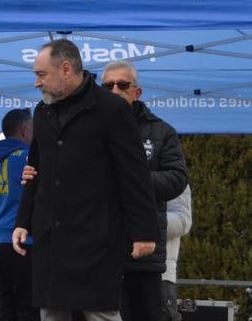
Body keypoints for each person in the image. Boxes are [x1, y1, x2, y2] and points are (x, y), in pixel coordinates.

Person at [12, 39, 157, 321]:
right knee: (51, 313)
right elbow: (35, 168)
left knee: (101, 313)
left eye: (41, 75)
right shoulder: (42, 112)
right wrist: (23, 220)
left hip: (96, 241)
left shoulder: (112, 110)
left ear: (66, 68)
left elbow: (134, 173)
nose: (36, 83)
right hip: (51, 239)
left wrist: (144, 231)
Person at [99, 61, 188, 321]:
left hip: (143, 249)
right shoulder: (87, 130)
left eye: (122, 85)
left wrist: (133, 179)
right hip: (99, 249)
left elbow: (177, 179)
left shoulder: (161, 131)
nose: (114, 90)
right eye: (107, 86)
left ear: (136, 92)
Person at [0, 109, 39, 321]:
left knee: (6, 307)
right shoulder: (27, 157)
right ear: (25, 130)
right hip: (21, 241)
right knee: (28, 308)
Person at [162, 185, 192, 321]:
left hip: (160, 274)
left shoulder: (169, 168)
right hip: (113, 273)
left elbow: (183, 220)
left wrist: (145, 221)